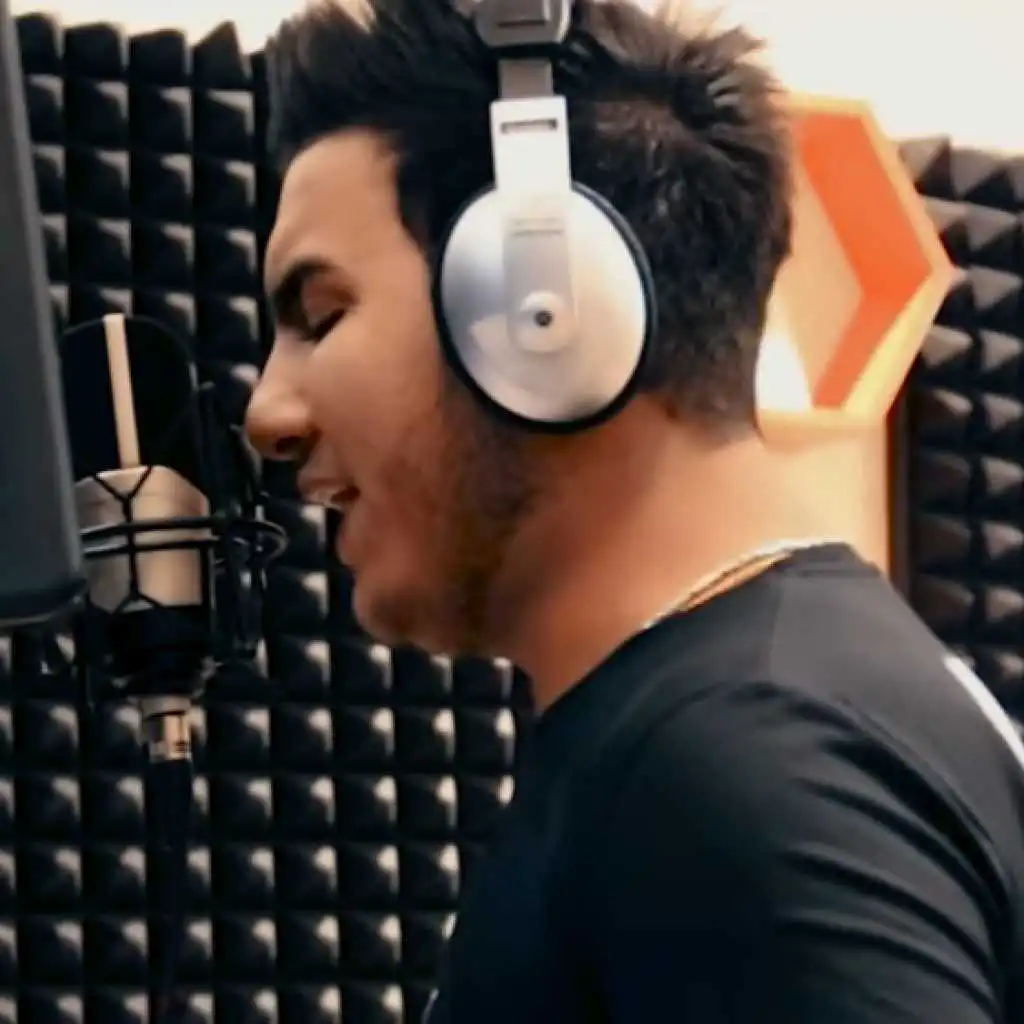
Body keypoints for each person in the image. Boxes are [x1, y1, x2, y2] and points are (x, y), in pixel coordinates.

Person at [244, 0, 1024, 1020]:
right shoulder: (754, 705)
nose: (268, 413)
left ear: (539, 309)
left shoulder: (741, 766)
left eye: (321, 315)